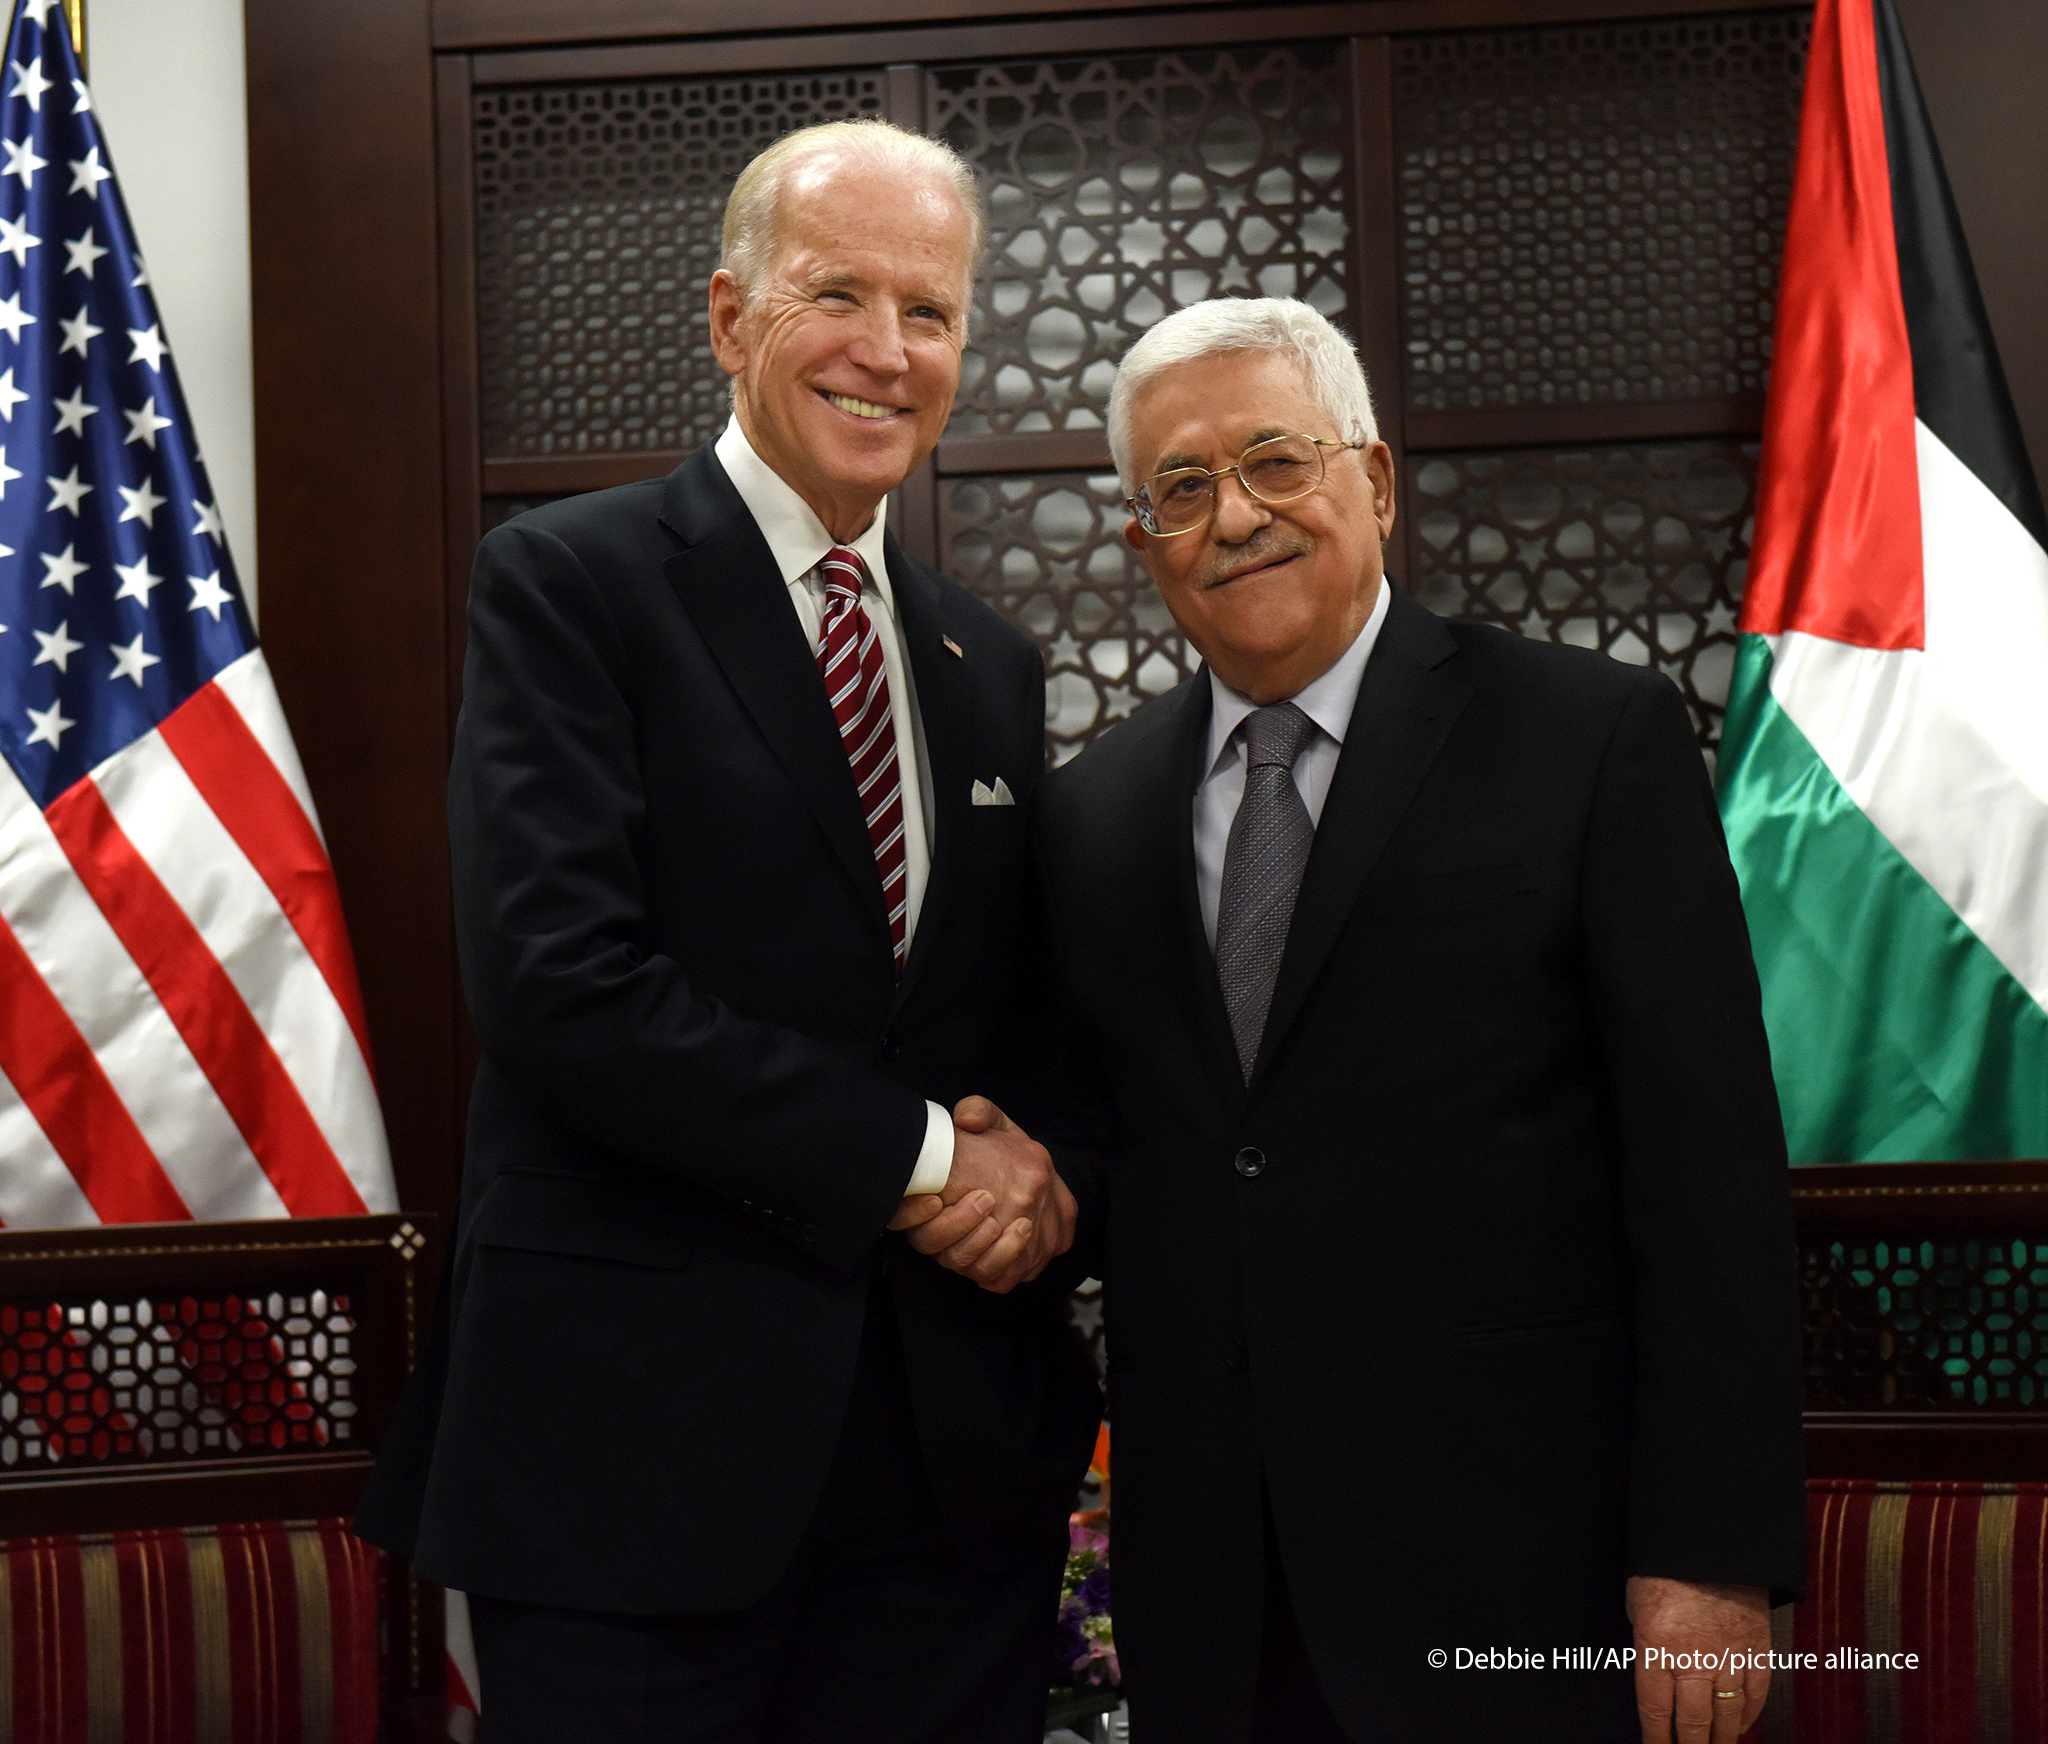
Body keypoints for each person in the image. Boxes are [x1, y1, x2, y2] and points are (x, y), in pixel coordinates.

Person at [354, 119, 1101, 1744]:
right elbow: (564, 989)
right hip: (637, 1467)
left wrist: (1039, 1187)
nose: (889, 353)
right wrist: (923, 1163)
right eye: (840, 294)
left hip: (942, 1481)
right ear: (726, 315)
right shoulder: (570, 582)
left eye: (935, 312)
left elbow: (1006, 1023)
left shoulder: (990, 658)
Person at [981, 298, 1806, 1742]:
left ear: (1370, 480)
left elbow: (1708, 1174)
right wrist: (1014, 1183)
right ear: (1141, 546)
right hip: (1215, 1594)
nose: (1235, 516)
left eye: (1275, 463)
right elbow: (1124, 1149)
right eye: (1182, 488)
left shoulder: (1589, 738)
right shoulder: (1090, 815)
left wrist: (1709, 1557)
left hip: (1525, 1573)